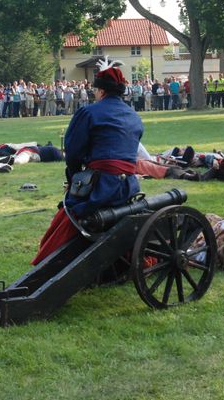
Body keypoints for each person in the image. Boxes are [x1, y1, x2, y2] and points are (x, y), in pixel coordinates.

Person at [31, 56, 144, 265]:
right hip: (128, 186)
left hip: (101, 187)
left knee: (68, 214)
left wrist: (74, 179)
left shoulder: (88, 112)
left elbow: (73, 152)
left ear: (100, 91)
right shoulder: (134, 116)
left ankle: (52, 260)